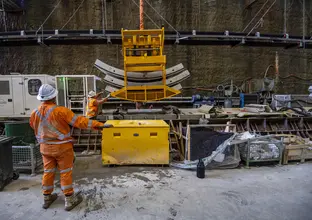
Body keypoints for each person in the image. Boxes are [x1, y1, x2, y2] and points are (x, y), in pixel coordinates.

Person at [29, 84, 112, 211]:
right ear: (54, 96)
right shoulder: (61, 111)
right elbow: (80, 122)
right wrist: (99, 125)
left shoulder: (34, 113)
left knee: (48, 172)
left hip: (45, 148)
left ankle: (47, 198)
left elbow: (34, 127)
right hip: (62, 148)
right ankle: (69, 199)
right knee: (65, 173)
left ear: (41, 98)